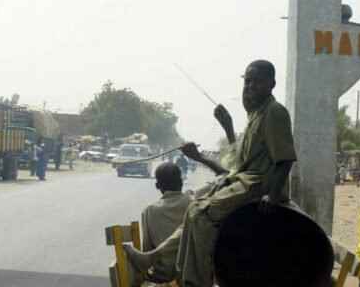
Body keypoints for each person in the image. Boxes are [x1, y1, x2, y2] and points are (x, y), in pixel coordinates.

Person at [124, 60, 297, 287]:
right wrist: (228, 125)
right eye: (247, 81)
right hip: (245, 179)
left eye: (257, 81)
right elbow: (239, 161)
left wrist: (273, 196)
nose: (250, 87)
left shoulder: (275, 112)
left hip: (259, 182)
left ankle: (197, 281)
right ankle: (164, 263)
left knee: (202, 215)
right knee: (194, 208)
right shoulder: (257, 114)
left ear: (272, 84)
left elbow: (285, 159)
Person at [140, 163, 192, 285]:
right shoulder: (195, 204)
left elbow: (147, 249)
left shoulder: (149, 211)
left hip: (163, 276)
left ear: (157, 185)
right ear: (181, 182)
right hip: (191, 275)